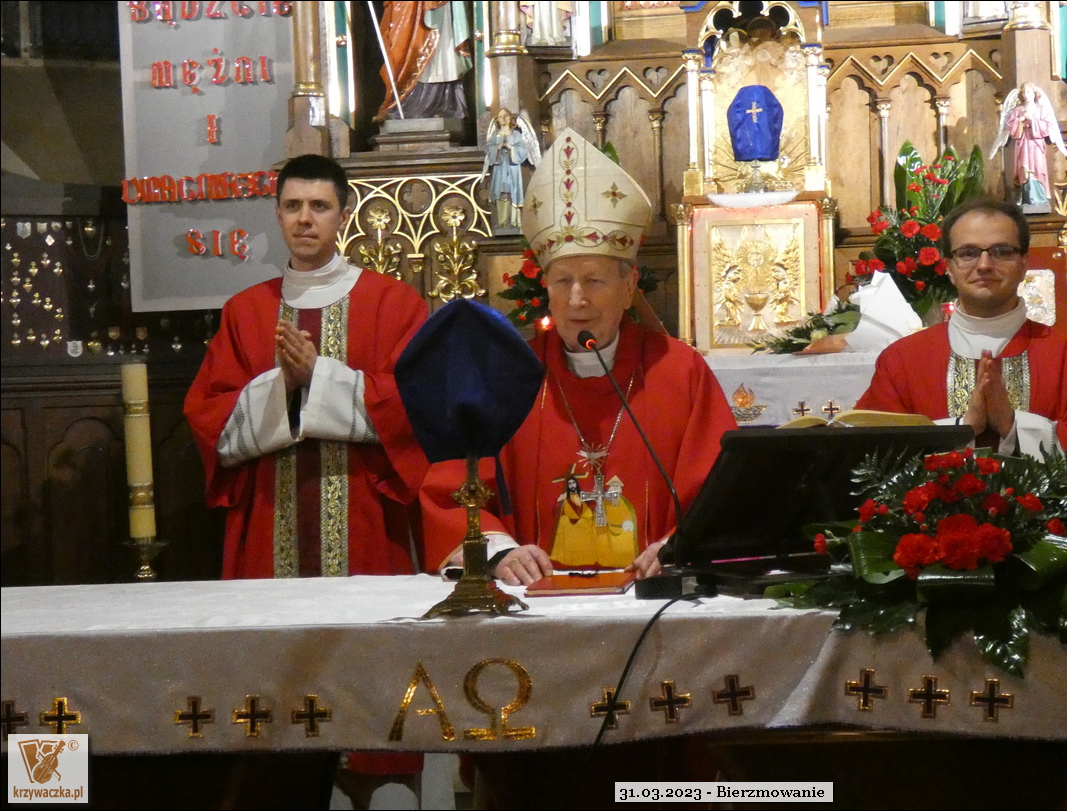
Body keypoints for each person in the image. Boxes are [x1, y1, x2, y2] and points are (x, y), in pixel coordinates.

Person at [423, 128, 737, 584]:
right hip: (533, 598)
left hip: (651, 594)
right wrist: (499, 552)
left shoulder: (678, 371)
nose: (576, 299)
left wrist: (679, 546)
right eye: (562, 281)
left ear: (629, 287)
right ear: (546, 290)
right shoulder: (509, 376)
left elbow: (720, 489)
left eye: (593, 280)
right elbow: (454, 486)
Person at [185, 154, 430, 580]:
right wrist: (282, 385)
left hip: (366, 519)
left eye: (319, 206)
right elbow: (210, 421)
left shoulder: (394, 304)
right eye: (293, 206)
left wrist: (319, 377)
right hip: (268, 518)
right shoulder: (245, 311)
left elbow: (417, 408)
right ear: (277, 215)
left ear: (344, 216)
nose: (304, 219)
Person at [855, 198, 1067, 500]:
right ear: (949, 267)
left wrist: (1013, 425)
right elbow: (870, 457)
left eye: (1001, 251)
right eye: (968, 252)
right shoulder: (902, 361)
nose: (985, 265)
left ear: (1024, 263)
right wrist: (963, 428)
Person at [373, 0, 472, 121]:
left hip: (435, 6)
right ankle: (397, 105)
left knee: (439, 51)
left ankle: (442, 104)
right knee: (400, 48)